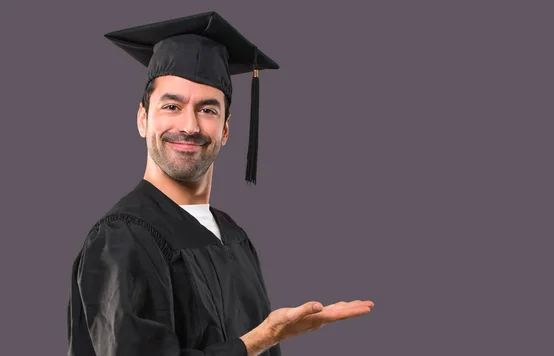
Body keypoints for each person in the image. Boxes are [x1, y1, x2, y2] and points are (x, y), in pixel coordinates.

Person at [67, 11, 374, 356]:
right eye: (172, 105)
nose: (189, 126)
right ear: (143, 118)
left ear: (225, 130)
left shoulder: (232, 236)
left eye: (208, 110)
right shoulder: (121, 238)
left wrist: (271, 339)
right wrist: (259, 340)